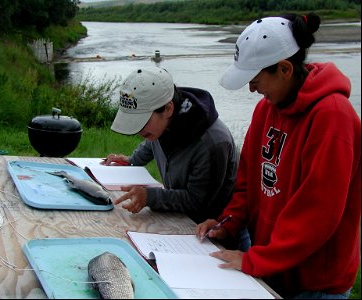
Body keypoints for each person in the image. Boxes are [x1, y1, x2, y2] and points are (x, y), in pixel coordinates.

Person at [196, 13, 361, 299]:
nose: (251, 89)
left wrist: (254, 260)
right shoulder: (267, 109)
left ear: (285, 69)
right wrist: (228, 223)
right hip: (274, 270)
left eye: (255, 79)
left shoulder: (333, 117)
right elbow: (248, 182)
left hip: (315, 285)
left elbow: (318, 214)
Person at [103, 66, 240, 229]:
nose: (138, 130)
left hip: (213, 235)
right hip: (180, 220)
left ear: (168, 109)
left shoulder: (212, 143)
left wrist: (149, 197)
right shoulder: (165, 121)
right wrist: (133, 160)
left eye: (142, 121)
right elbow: (152, 140)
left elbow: (196, 201)